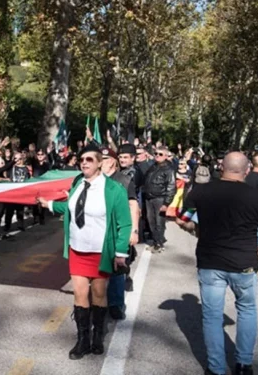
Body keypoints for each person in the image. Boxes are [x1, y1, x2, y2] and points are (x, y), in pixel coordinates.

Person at [177, 152, 258, 375]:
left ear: (221, 167)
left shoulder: (201, 191)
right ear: (246, 170)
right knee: (247, 310)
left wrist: (197, 231)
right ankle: (244, 364)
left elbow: (182, 219)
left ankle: (216, 368)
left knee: (212, 316)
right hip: (245, 262)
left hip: (210, 262)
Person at [36, 144, 131, 360]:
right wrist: (49, 204)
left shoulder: (114, 190)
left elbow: (124, 224)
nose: (84, 163)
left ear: (99, 163)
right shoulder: (78, 182)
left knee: (98, 294)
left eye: (89, 159)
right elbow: (71, 206)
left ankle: (98, 337)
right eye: (82, 159)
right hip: (77, 249)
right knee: (80, 294)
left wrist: (120, 253)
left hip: (100, 251)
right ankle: (82, 340)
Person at [101, 147, 140, 320]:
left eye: (104, 158)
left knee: (117, 267)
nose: (100, 161)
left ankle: (115, 304)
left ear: (112, 161)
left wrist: (134, 230)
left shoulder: (124, 180)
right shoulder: (94, 179)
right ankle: (98, 301)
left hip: (118, 229)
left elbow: (133, 206)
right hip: (98, 230)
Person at [143, 146, 176, 253]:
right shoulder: (153, 167)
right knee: (150, 221)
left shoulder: (169, 170)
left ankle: (159, 243)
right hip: (149, 198)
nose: (157, 156)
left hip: (160, 199)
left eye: (160, 154)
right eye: (156, 153)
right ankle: (155, 241)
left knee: (159, 222)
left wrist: (166, 203)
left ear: (166, 156)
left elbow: (171, 187)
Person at [4, 151, 30, 234]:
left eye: (19, 159)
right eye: (15, 158)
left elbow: (27, 178)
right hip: (12, 192)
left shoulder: (25, 168)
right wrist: (9, 158)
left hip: (21, 192)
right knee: (9, 211)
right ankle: (7, 226)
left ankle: (20, 225)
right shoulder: (12, 168)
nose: (17, 160)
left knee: (20, 210)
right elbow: (5, 167)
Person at [31, 148, 51, 225]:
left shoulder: (47, 165)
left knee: (42, 202)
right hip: (35, 185)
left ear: (44, 156)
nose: (40, 156)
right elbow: (32, 158)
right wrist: (32, 151)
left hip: (44, 185)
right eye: (38, 154)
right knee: (35, 202)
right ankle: (35, 217)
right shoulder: (34, 163)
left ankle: (42, 217)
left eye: (41, 154)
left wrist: (49, 153)